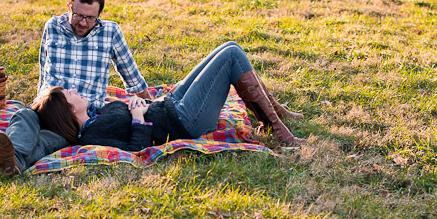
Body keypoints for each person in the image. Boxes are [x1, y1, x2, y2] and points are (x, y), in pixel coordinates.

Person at [0, 0, 152, 176]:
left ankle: (4, 160)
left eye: (90, 18)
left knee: (46, 140)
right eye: (78, 15)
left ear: (99, 14)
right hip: (48, 106)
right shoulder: (52, 27)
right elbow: (44, 70)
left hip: (76, 118)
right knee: (25, 116)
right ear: (69, 7)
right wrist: (39, 100)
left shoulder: (110, 32)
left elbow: (130, 72)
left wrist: (149, 102)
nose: (83, 23)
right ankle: (10, 161)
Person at [31, 41, 305, 153]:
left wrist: (136, 104)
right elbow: (134, 149)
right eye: (70, 94)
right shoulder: (91, 137)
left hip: (169, 105)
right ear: (66, 111)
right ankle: (277, 130)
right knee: (231, 57)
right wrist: (138, 116)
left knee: (229, 46)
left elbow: (128, 113)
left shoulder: (94, 115)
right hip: (185, 120)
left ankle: (274, 112)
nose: (75, 91)